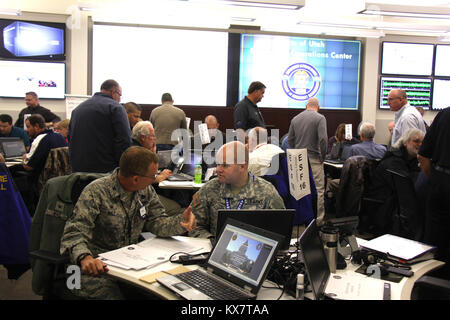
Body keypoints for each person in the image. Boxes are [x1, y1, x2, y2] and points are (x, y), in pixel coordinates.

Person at [59, 146, 196, 299]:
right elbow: (74, 232)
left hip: (128, 265)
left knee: (162, 291)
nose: (155, 179)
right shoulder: (96, 192)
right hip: (85, 270)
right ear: (136, 178)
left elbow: (157, 222)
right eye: (153, 176)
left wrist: (180, 222)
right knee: (111, 295)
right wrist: (85, 257)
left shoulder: (144, 191)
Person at [189, 141, 285, 239]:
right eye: (218, 164)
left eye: (225, 165)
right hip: (213, 249)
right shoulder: (209, 189)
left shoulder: (266, 191)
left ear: (242, 166)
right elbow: (193, 225)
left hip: (252, 249)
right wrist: (212, 241)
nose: (218, 169)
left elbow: (280, 229)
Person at [366, 128, 424, 236]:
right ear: (405, 143)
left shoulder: (411, 159)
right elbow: (407, 192)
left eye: (422, 142)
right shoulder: (393, 162)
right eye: (416, 141)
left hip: (393, 207)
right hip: (385, 212)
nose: (420, 144)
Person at [68, 79, 132, 173]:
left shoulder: (77, 109)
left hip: (78, 169)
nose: (120, 99)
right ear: (114, 92)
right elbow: (124, 140)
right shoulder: (116, 107)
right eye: (120, 96)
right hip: (105, 170)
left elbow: (70, 137)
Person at [418, 107, 450, 280]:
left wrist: (436, 180)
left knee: (434, 244)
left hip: (439, 185)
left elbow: (422, 156)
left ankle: (430, 284)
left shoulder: (444, 115)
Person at [287, 97, 327, 225]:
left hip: (298, 159)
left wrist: (296, 152)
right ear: (318, 107)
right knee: (319, 190)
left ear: (306, 106)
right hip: (314, 158)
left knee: (300, 190)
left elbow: (290, 139)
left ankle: (301, 220)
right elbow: (323, 140)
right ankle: (318, 221)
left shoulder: (295, 118)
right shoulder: (320, 118)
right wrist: (323, 157)